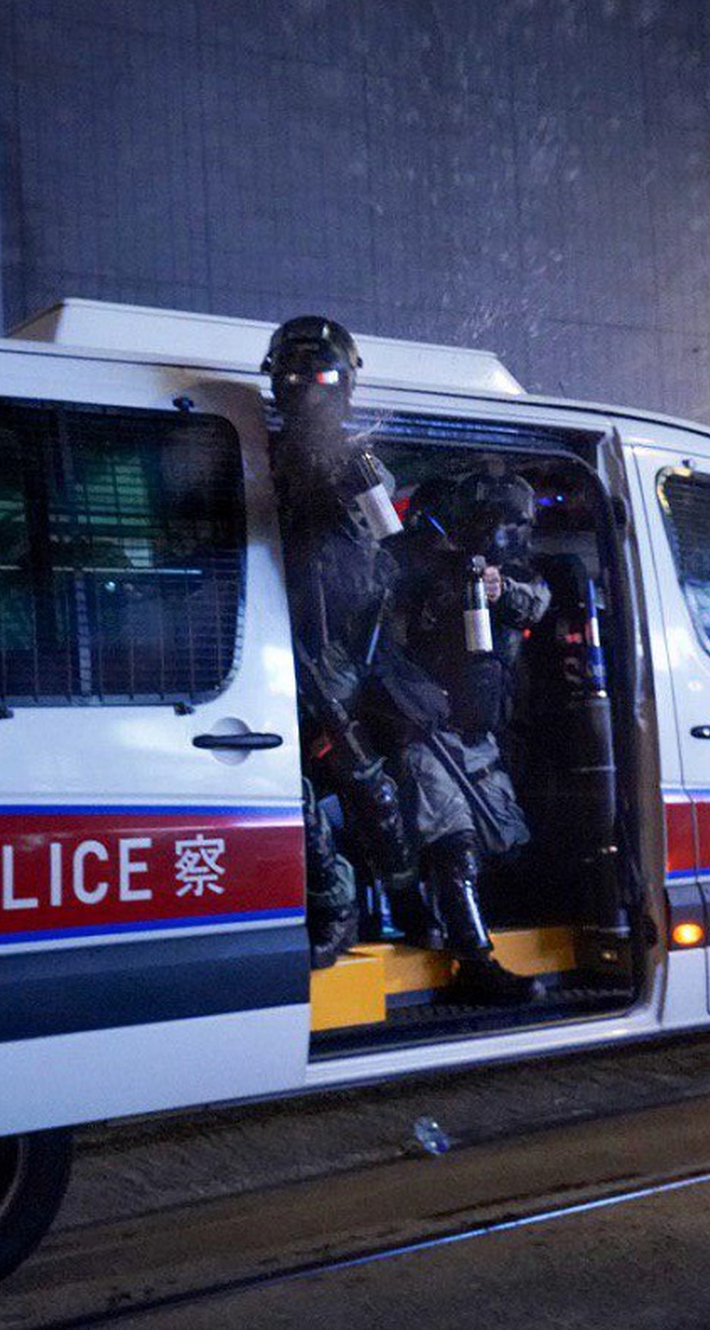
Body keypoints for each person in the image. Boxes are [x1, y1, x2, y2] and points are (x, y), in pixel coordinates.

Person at [263, 315, 417, 970]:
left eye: (321, 378)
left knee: (368, 784)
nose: (310, 392)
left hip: (343, 654)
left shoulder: (359, 461)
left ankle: (407, 898)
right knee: (284, 782)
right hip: (281, 643)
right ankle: (335, 899)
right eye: (296, 379)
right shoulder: (257, 454)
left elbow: (388, 548)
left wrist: (347, 484)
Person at [382, 464, 552, 1005]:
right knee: (450, 836)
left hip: (480, 728)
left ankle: (440, 922)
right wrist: (439, 591)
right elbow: (389, 633)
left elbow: (534, 602)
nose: (505, 533)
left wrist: (497, 590)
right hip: (425, 724)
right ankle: (475, 962)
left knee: (499, 838)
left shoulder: (507, 573)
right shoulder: (418, 564)